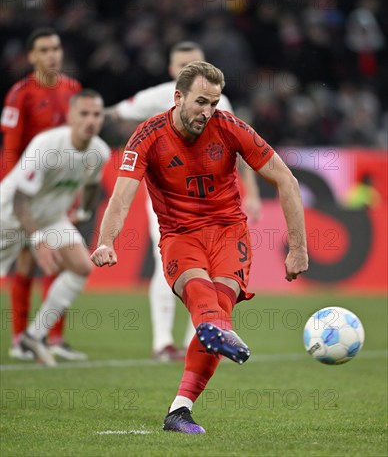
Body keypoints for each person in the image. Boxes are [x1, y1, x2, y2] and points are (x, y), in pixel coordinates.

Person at [91, 62, 308, 433]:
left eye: (214, 103)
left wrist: (298, 248)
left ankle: (179, 410)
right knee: (201, 295)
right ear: (178, 98)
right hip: (180, 233)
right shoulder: (148, 136)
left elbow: (286, 180)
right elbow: (122, 195)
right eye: (200, 102)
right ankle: (214, 328)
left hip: (228, 232)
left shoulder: (230, 127)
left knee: (217, 308)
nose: (207, 112)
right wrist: (106, 241)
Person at [105, 41, 262, 362]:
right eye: (181, 66)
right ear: (172, 73)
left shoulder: (221, 103)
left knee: (212, 272)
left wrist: (253, 192)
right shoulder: (156, 97)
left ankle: (201, 338)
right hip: (169, 202)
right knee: (173, 265)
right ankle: (163, 341)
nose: (187, 70)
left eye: (193, 63)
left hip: (213, 204)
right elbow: (112, 114)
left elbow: (242, 149)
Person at [0, 90, 110, 366]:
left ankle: (34, 337)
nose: (91, 120)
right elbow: (20, 198)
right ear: (70, 116)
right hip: (9, 216)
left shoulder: (99, 152)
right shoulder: (47, 144)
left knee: (82, 267)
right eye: (84, 114)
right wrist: (37, 239)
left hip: (50, 218)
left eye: (96, 115)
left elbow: (94, 183)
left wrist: (82, 211)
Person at [1, 27, 84, 361]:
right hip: (26, 193)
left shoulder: (73, 90)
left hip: (57, 194)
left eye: (56, 48)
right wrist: (14, 196)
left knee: (62, 261)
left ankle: (53, 339)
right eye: (45, 50)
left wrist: (74, 197)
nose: (53, 55)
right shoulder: (20, 94)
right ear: (32, 56)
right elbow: (10, 151)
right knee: (26, 261)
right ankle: (20, 338)